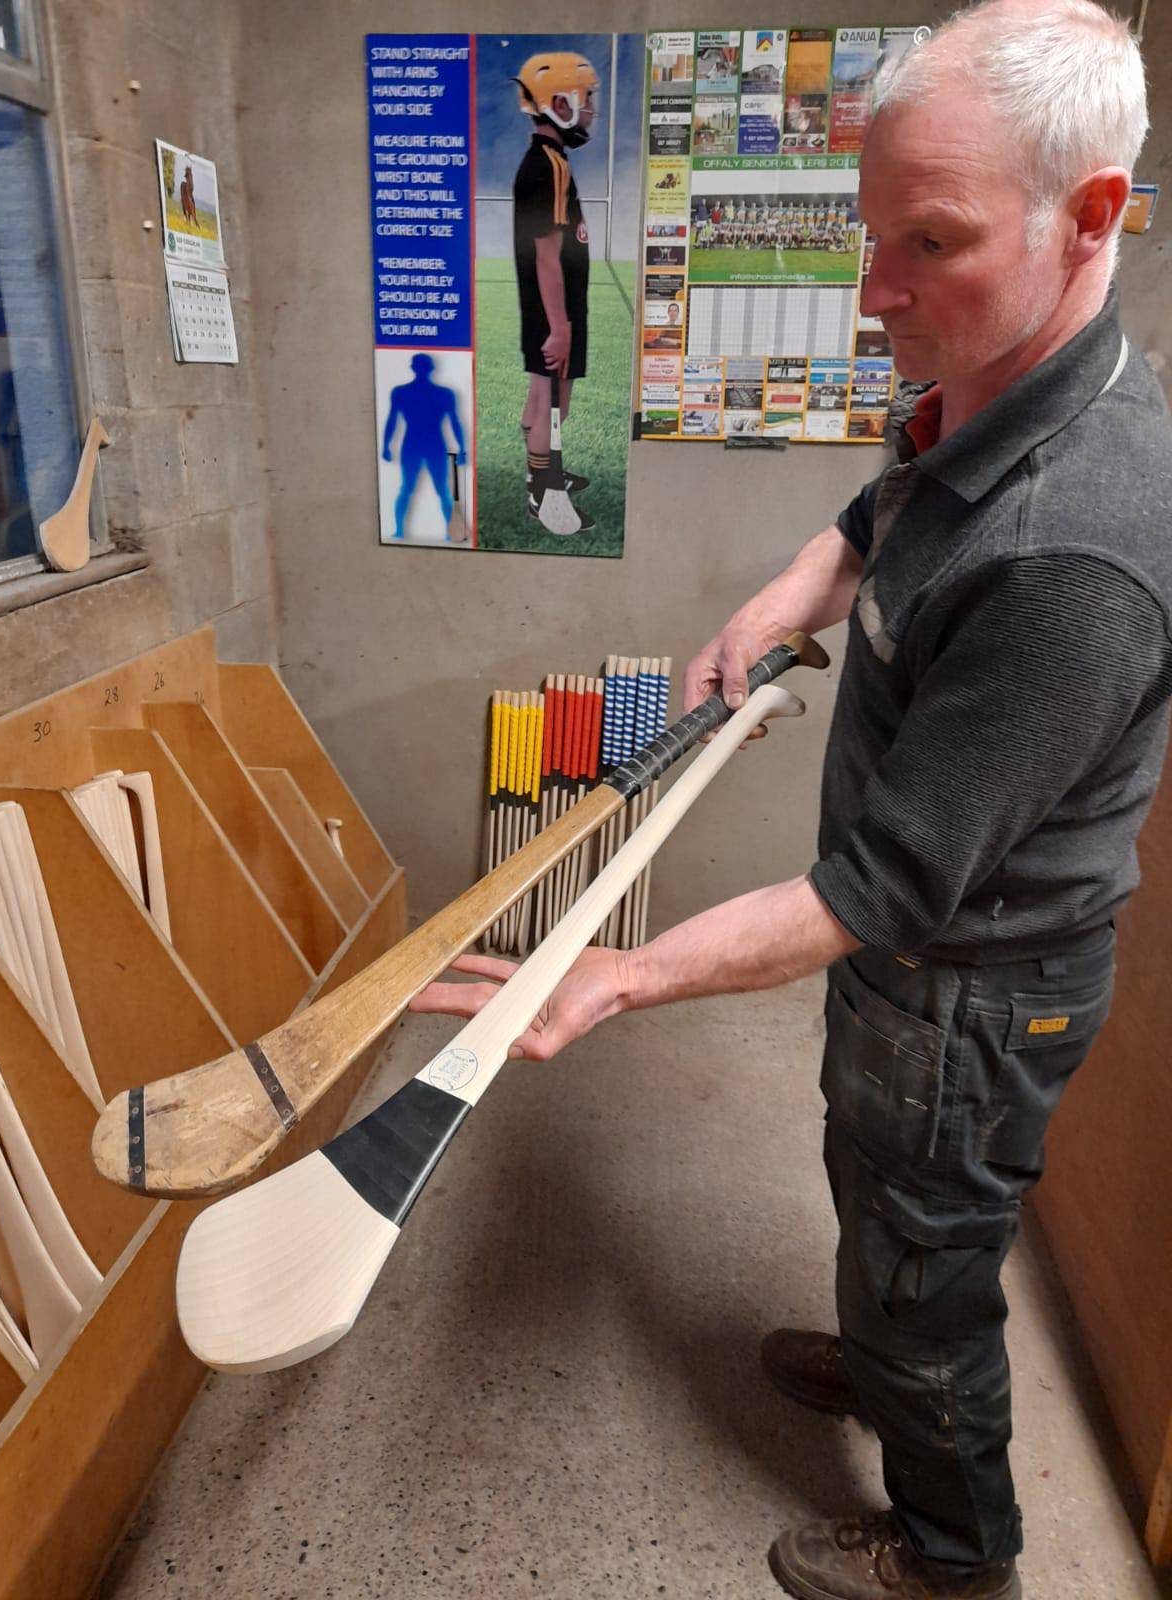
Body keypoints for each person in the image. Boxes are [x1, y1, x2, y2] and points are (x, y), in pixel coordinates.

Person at [415, 3, 1167, 1596]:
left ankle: (953, 1553)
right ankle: (885, 1335)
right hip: (909, 965)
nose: (876, 293)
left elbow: (870, 895)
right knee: (877, 1188)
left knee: (931, 1261)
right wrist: (776, 605)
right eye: (872, 237)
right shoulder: (991, 375)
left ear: (1091, 215)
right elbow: (881, 509)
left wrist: (618, 974)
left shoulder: (1076, 554)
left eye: (928, 244)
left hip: (969, 989)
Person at [512, 52, 596, 534]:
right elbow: (547, 255)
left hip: (549, 308)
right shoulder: (549, 166)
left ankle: (539, 474)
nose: (591, 111)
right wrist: (560, 327)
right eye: (587, 99)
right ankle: (544, 493)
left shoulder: (548, 161)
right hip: (554, 311)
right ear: (560, 103)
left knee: (542, 395)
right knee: (552, 401)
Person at [380, 353, 465, 541]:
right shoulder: (405, 393)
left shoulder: (438, 393)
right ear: (430, 369)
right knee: (414, 489)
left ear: (414, 368)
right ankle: (400, 530)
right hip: (422, 444)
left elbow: (455, 422)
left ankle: (444, 532)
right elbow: (391, 420)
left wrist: (463, 448)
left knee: (437, 489)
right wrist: (385, 445)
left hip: (424, 444)